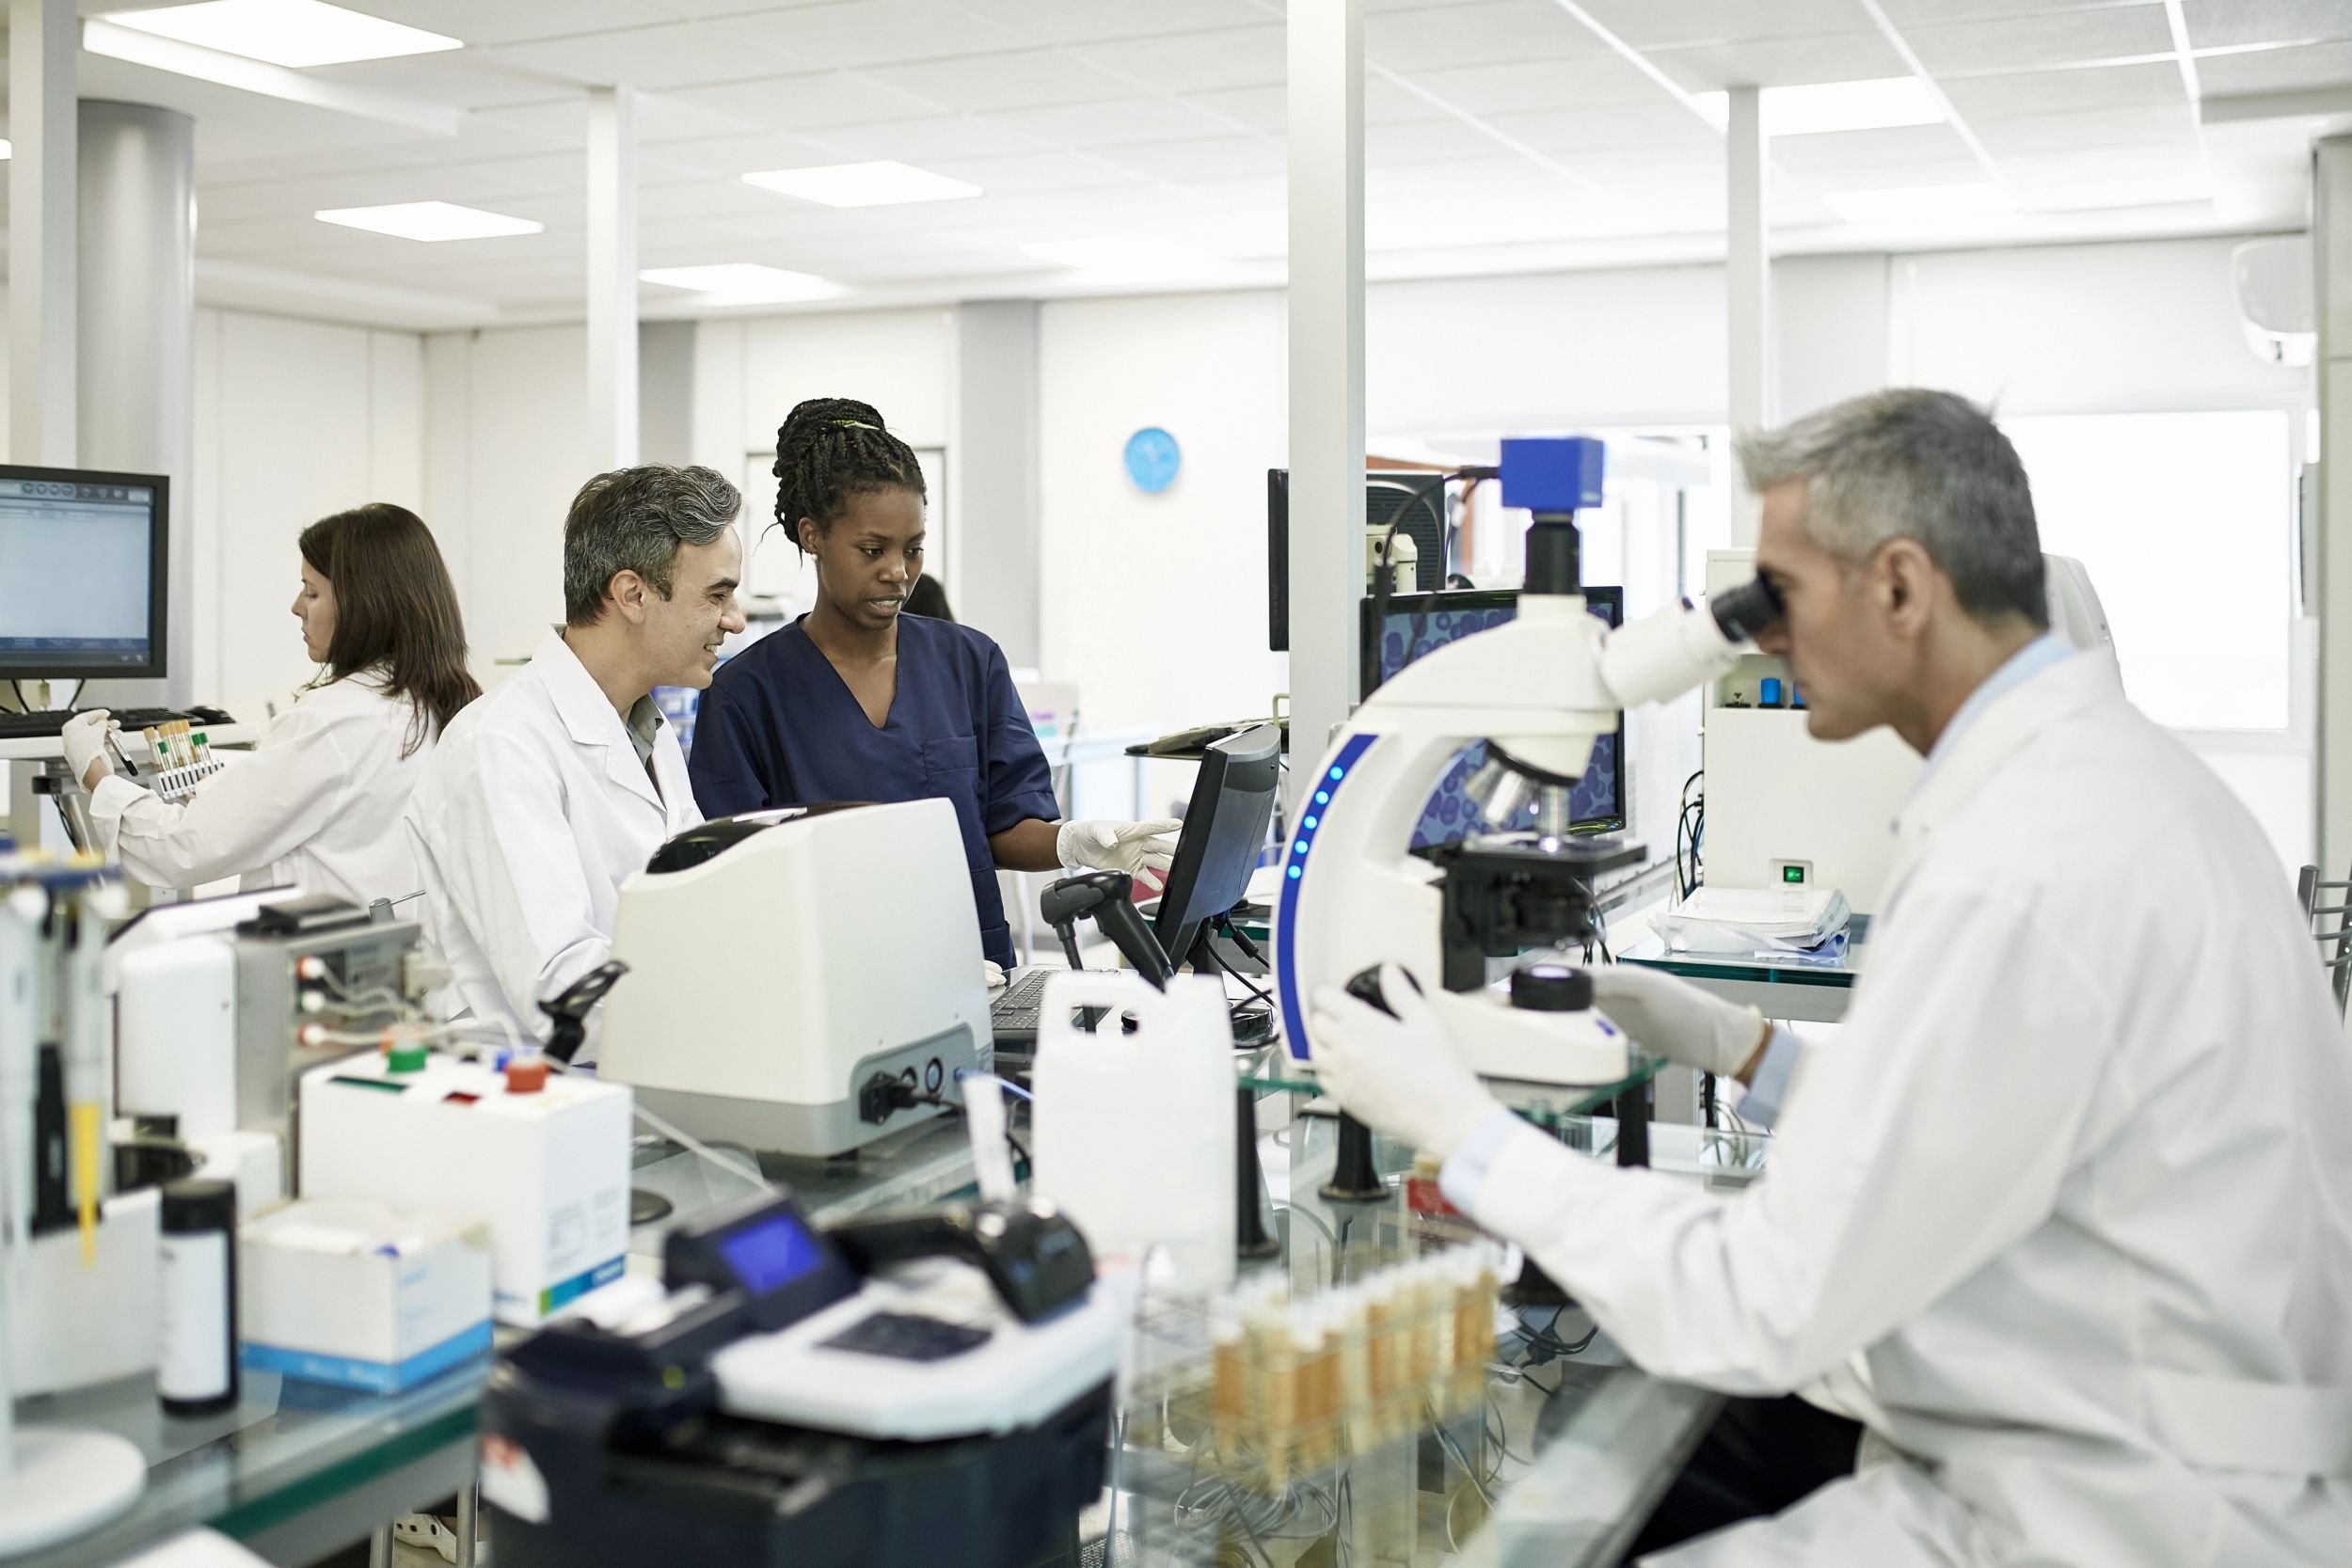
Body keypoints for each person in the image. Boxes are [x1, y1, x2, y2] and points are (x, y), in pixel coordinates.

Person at [1308, 389, 2352, 1566]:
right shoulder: (2100, 787)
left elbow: (1760, 1297)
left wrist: (1466, 1130)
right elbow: (1976, 1130)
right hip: (2108, 1440)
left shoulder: (2024, 858)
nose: (1759, 636)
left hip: (2105, 1513)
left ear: (1901, 588)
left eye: (1779, 596)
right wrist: (1747, 1050)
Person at [687, 397, 1177, 973]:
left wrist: (1075, 842)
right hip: (828, 976)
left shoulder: (969, 663)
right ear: (812, 534)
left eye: (913, 549)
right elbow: (733, 875)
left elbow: (1004, 825)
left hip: (975, 966)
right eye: (873, 550)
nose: (898, 571)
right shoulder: (745, 693)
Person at [405, 465, 744, 1062]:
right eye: (717, 595)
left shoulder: (648, 731)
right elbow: (561, 989)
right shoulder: (501, 746)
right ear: (633, 594)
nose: (735, 618)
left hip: (643, 1072)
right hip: (528, 1096)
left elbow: (692, 912)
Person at [60, 502, 476, 907]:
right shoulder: (440, 706)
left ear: (365, 605)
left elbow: (179, 849)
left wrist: (96, 774)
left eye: (312, 592)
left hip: (315, 955)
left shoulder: (328, 722)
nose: (296, 607)